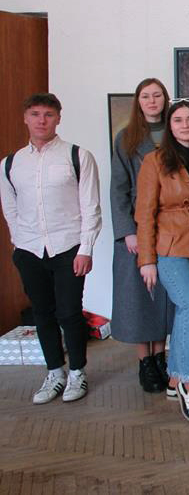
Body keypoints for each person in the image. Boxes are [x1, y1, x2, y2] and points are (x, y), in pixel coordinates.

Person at [1, 93, 102, 404]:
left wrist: (86, 248)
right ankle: (55, 372)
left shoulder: (77, 156)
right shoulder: (10, 164)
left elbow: (91, 206)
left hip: (68, 247)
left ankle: (77, 373)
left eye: (48, 114)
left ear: (58, 118)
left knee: (69, 312)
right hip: (29, 250)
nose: (41, 120)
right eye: (35, 114)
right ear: (25, 118)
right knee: (42, 313)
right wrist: (19, 244)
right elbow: (10, 208)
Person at [135, 98, 189, 426]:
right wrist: (146, 260)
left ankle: (175, 378)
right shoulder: (154, 160)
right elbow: (144, 213)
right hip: (167, 246)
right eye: (178, 120)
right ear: (169, 126)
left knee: (186, 310)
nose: (184, 125)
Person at [109, 78, 175, 393]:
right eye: (146, 96)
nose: (152, 101)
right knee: (138, 298)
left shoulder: (175, 131)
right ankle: (144, 362)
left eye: (157, 95)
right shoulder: (126, 138)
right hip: (136, 228)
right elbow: (118, 189)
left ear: (165, 99)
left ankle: (160, 356)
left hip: (169, 227)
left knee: (162, 296)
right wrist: (127, 232)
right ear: (138, 101)